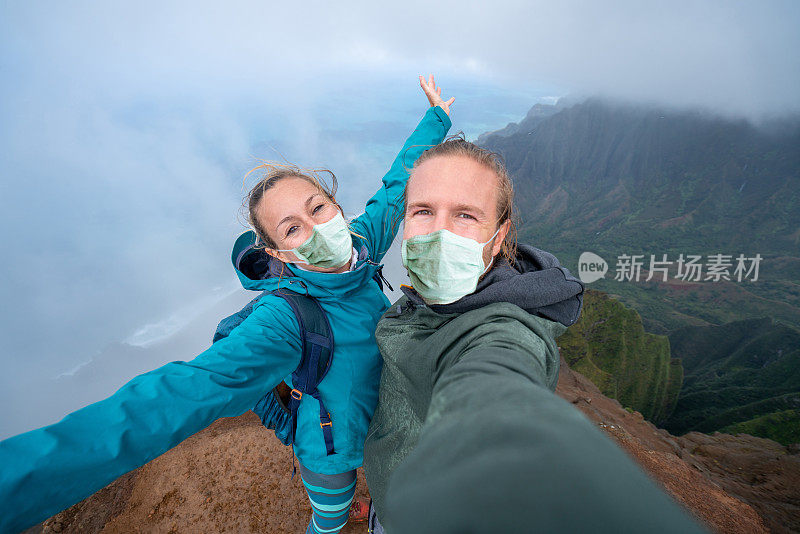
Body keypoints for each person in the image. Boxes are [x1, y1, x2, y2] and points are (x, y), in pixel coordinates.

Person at [0, 75, 453, 534]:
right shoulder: (285, 319)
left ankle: (367, 499)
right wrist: (16, 482)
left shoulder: (362, 242)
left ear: (336, 205)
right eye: (292, 229)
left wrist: (437, 118)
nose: (317, 230)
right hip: (329, 445)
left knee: (385, 474)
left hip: (384, 420)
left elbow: (398, 185)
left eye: (317, 208)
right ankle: (337, 515)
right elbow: (185, 391)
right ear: (276, 253)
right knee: (329, 520)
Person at [362, 137, 711, 533]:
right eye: (423, 211)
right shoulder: (417, 300)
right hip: (385, 498)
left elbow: (494, 381)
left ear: (498, 236)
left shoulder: (501, 331)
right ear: (404, 221)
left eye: (465, 216)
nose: (439, 232)